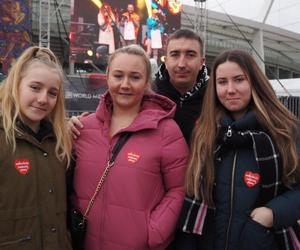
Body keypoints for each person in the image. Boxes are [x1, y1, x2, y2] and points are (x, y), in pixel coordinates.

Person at [176, 49, 300, 250]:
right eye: (222, 82)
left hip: (263, 242)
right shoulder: (205, 133)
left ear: (254, 82)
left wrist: (272, 214)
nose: (230, 89)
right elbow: (192, 193)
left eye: (239, 80)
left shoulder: (284, 131)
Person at [70, 45, 188, 250]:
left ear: (146, 82)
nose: (125, 84)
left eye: (134, 77)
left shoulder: (166, 131)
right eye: (118, 76)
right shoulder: (82, 128)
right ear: (107, 77)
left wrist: (153, 233)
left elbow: (179, 188)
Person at [0, 46, 72, 249]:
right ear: (16, 84)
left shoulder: (61, 142)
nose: (43, 99)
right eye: (35, 87)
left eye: (52, 93)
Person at [153, 29, 209, 145]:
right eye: (175, 55)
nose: (182, 64)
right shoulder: (148, 97)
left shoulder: (216, 99)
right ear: (166, 61)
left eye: (190, 55)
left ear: (201, 62)